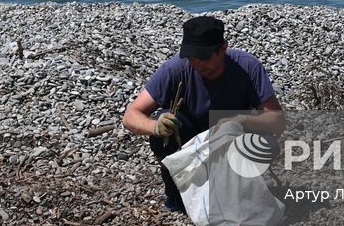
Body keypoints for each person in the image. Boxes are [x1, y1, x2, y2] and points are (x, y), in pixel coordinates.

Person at [122, 15, 286, 212]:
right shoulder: (174, 70)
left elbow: (277, 120)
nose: (198, 64)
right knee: (165, 128)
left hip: (229, 142)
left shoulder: (248, 67)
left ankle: (237, 194)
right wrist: (156, 126)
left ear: (223, 48)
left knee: (265, 142)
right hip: (188, 143)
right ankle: (179, 197)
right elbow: (131, 115)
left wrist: (240, 120)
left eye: (205, 58)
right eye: (192, 58)